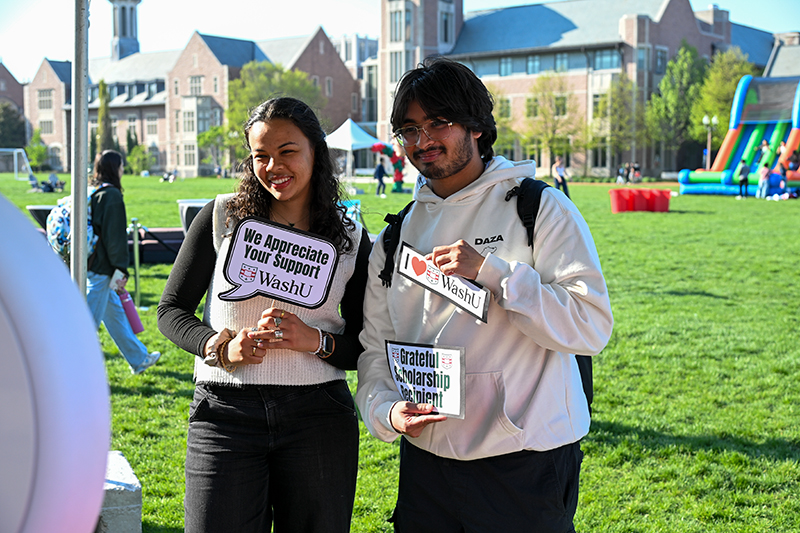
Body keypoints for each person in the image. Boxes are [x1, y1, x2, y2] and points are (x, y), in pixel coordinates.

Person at [356, 57, 613, 533]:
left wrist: (494, 273)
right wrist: (386, 410)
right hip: (427, 468)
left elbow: (590, 325)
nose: (423, 140)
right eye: (409, 129)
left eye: (438, 122)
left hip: (526, 462)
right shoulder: (396, 236)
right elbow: (376, 347)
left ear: (475, 126)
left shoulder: (538, 207)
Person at [157, 97, 371, 533]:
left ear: (316, 151)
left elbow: (368, 344)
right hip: (225, 413)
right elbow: (171, 310)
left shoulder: (350, 239)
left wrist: (316, 340)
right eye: (261, 155)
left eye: (287, 151)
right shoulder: (221, 216)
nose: (273, 165)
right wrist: (220, 345)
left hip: (318, 416)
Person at [86, 150, 161, 374]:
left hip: (88, 261)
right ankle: (70, 368)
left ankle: (138, 359)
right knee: (87, 323)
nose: (122, 170)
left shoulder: (92, 190)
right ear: (114, 168)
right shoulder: (111, 196)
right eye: (121, 166)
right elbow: (115, 237)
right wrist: (120, 268)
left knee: (115, 314)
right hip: (101, 267)